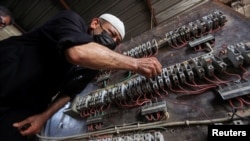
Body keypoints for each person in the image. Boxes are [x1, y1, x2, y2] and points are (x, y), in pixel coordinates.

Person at [0, 10, 162, 141]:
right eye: (111, 33)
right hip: (7, 76)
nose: (112, 41)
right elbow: (77, 53)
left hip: (24, 106)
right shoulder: (71, 20)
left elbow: (69, 93)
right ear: (95, 23)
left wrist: (43, 117)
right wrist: (135, 64)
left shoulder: (91, 68)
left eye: (116, 41)